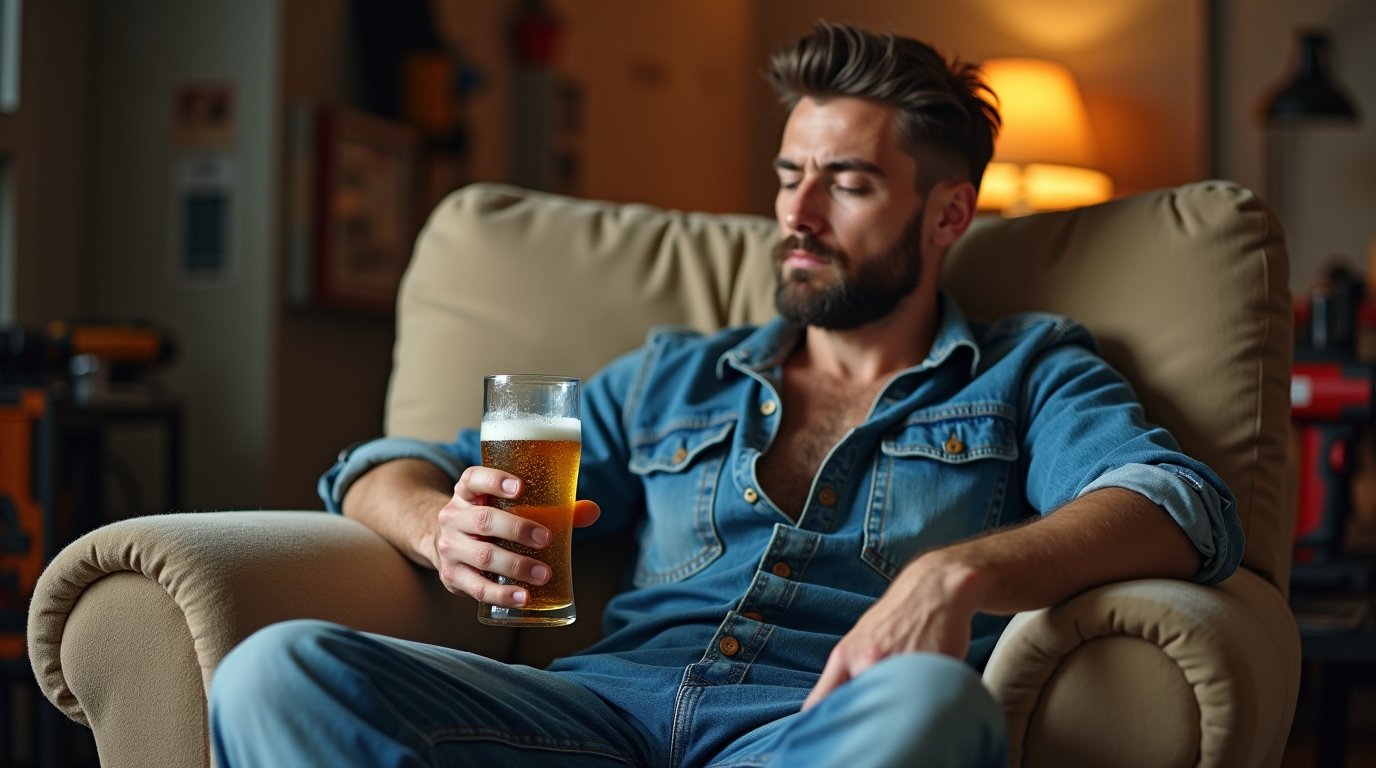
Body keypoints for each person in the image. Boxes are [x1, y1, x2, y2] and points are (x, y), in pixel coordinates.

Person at [210, 21, 1241, 767]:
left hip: (814, 734)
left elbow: (1175, 503)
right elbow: (381, 469)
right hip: (592, 721)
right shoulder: (673, 373)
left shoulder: (1027, 369)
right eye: (788, 172)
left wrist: (956, 575)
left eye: (846, 182)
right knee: (276, 670)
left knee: (932, 705)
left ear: (945, 214)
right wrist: (441, 526)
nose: (794, 212)